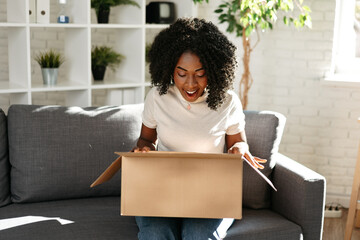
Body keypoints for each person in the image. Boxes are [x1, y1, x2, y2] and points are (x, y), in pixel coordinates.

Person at [132, 17, 266, 240]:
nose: (191, 84)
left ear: (213, 70)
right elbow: (145, 141)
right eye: (182, 74)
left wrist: (240, 149)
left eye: (200, 74)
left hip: (210, 194)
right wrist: (144, 150)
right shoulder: (158, 97)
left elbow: (238, 142)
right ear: (168, 69)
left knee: (198, 235)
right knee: (155, 233)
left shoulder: (227, 101)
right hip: (162, 190)